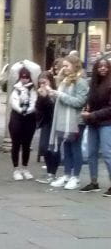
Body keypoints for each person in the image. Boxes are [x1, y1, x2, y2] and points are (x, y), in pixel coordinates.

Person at [45, 57, 89, 190]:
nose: (64, 69)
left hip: (76, 121)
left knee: (75, 148)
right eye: (63, 66)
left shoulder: (81, 82)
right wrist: (52, 94)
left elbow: (79, 102)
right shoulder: (64, 81)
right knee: (67, 148)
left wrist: (59, 95)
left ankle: (75, 177)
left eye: (67, 66)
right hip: (64, 120)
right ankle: (67, 174)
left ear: (75, 66)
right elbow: (60, 100)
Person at [79, 57, 111, 194]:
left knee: (107, 153)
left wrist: (92, 115)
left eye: (105, 66)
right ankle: (93, 182)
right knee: (91, 153)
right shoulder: (93, 84)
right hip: (93, 122)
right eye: (100, 66)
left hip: (107, 122)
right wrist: (87, 109)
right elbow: (89, 101)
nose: (102, 68)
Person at [8, 66, 38, 181]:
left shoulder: (33, 89)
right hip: (17, 118)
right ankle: (16, 169)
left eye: (26, 77)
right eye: (22, 77)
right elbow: (13, 102)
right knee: (16, 144)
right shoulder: (16, 88)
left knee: (26, 144)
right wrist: (21, 110)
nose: (24, 79)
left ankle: (25, 168)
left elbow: (34, 102)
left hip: (29, 119)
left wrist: (29, 110)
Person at [35, 72, 60, 184]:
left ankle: (52, 173)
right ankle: (49, 173)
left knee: (54, 149)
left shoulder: (55, 92)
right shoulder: (41, 93)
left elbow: (54, 109)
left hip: (56, 122)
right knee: (44, 147)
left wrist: (48, 96)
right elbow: (39, 109)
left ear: (50, 81)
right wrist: (42, 97)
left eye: (44, 82)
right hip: (46, 123)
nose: (42, 85)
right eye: (40, 83)